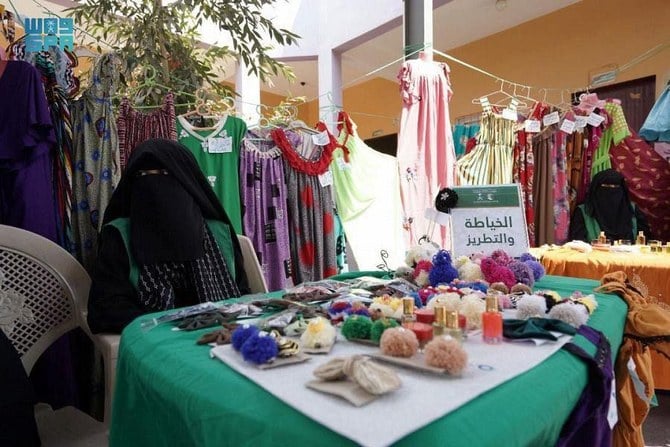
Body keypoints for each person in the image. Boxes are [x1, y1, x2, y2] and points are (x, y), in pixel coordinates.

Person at [88, 139, 249, 333]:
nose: (156, 189)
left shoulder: (219, 234)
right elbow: (106, 309)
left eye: (166, 176)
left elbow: (242, 296)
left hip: (221, 339)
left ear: (187, 184)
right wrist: (172, 325)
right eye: (143, 176)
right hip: (153, 342)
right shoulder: (118, 236)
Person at [569, 168, 651, 243]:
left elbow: (646, 243)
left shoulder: (632, 211)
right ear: (596, 189)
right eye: (606, 186)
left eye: (615, 187)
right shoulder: (584, 212)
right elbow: (578, 245)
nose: (611, 192)